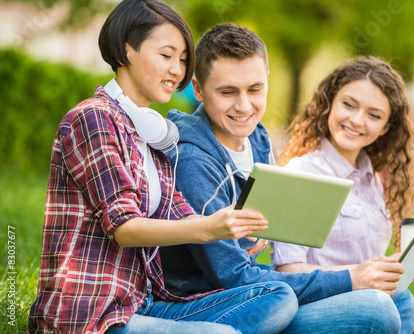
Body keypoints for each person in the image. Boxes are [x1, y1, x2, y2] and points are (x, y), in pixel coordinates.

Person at [27, 1, 298, 333]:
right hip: (91, 314)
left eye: (183, 60)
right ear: (127, 49)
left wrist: (236, 229)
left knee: (277, 295)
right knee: (221, 332)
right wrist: (212, 228)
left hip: (148, 304)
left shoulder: (154, 136)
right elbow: (124, 228)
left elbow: (182, 216)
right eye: (166, 55)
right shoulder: (94, 118)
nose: (177, 70)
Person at [160, 23, 404, 333]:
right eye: (227, 92)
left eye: (255, 89)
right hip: (205, 303)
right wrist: (351, 279)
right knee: (371, 309)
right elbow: (237, 277)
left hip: (248, 290)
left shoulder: (257, 136)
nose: (244, 106)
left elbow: (258, 244)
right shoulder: (194, 162)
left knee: (401, 300)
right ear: (197, 89)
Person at [270, 56, 414, 333]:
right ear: (330, 102)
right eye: (349, 104)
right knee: (378, 307)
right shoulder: (304, 172)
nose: (356, 120)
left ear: (386, 127)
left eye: (374, 115)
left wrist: (397, 269)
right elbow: (287, 273)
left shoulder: (374, 182)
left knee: (403, 300)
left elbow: (371, 267)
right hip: (309, 308)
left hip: (362, 302)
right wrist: (362, 275)